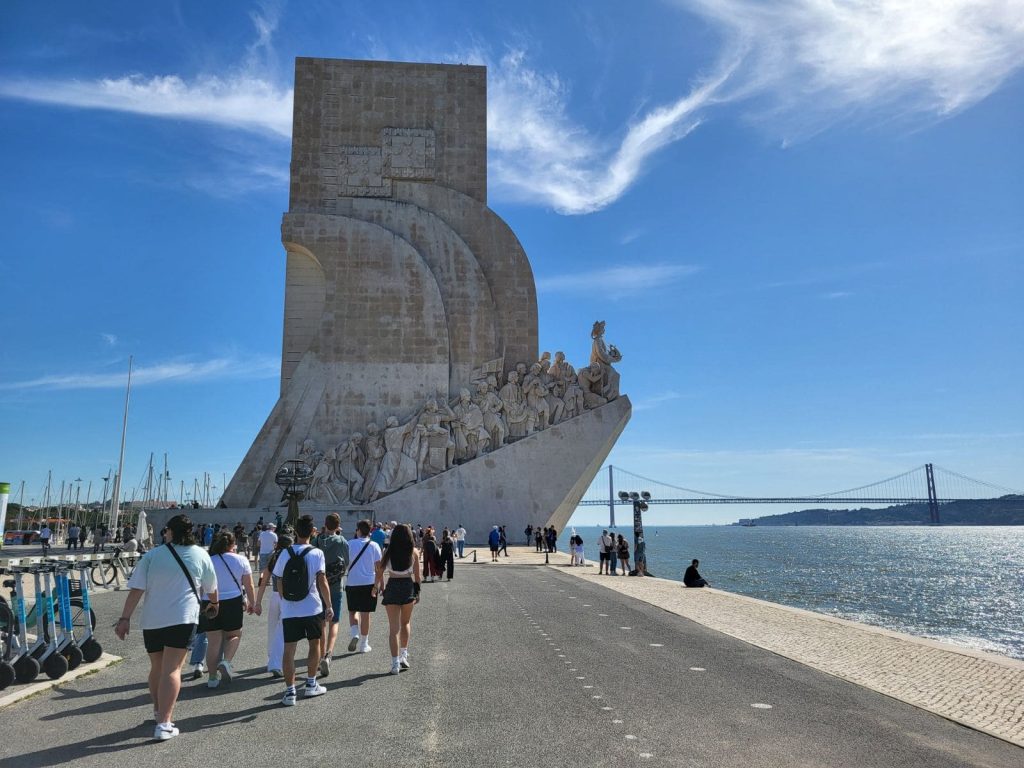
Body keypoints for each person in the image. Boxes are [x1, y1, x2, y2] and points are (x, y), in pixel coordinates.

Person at [115, 514, 218, 741]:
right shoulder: (200, 554)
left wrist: (124, 618)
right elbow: (211, 588)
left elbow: (136, 590)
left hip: (153, 620)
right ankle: (164, 723)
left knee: (157, 668)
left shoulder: (152, 556)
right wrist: (215, 604)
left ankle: (157, 710)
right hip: (182, 618)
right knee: (172, 670)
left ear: (169, 531)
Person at [272, 515, 332, 706]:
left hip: (290, 610)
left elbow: (279, 580)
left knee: (289, 650)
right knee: (314, 645)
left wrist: (285, 600)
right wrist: (329, 605)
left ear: (295, 532)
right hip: (312, 606)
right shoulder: (317, 553)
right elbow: (322, 581)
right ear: (313, 532)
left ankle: (290, 693)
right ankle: (311, 684)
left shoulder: (285, 553)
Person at [204, 532, 255, 689]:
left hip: (209, 601)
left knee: (213, 641)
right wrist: (253, 602)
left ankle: (212, 678)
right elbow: (249, 584)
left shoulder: (208, 560)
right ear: (232, 545)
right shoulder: (241, 560)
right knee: (234, 635)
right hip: (232, 600)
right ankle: (226, 661)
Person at [374, 523, 421, 675]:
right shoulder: (413, 552)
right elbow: (418, 576)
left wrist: (375, 587)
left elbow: (379, 572)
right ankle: (404, 655)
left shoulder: (388, 552)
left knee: (393, 628)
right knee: (405, 622)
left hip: (392, 586)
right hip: (407, 586)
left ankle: (395, 664)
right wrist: (417, 592)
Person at [254, 526, 294, 678]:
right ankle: (276, 661)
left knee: (272, 628)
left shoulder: (273, 557)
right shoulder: (291, 557)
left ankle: (271, 657)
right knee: (283, 630)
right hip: (287, 597)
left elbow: (263, 582)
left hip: (274, 597)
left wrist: (258, 602)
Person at [314, 513, 349, 676]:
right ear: (338, 526)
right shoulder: (342, 541)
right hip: (336, 586)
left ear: (325, 525)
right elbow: (346, 562)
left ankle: (321, 656)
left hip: (319, 586)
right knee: (334, 621)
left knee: (321, 622)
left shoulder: (317, 541)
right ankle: (328, 654)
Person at [345, 519, 383, 653]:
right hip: (368, 582)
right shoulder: (374, 546)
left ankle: (355, 633)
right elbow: (379, 568)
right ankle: (364, 644)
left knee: (352, 611)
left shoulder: (349, 544)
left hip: (352, 582)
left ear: (358, 530)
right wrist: (378, 585)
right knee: (365, 614)